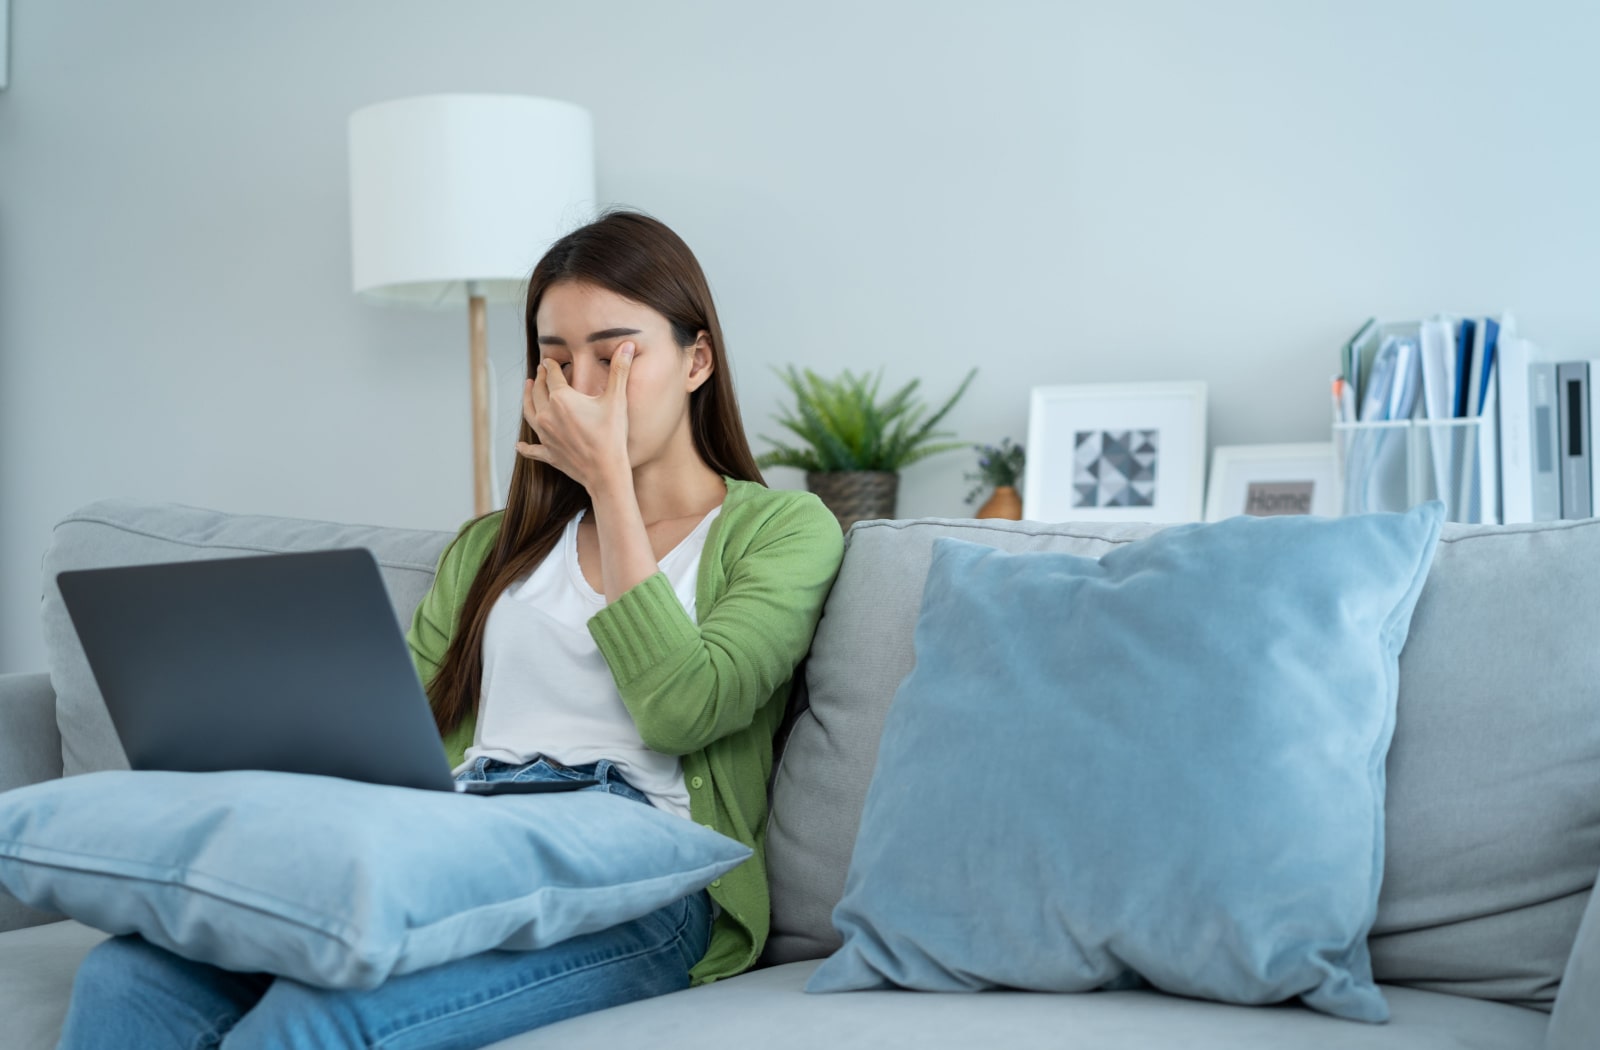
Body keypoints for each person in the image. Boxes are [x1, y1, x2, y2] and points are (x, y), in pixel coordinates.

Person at [56, 208, 846, 1049]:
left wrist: (610, 484)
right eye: (554, 360)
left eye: (615, 355)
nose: (580, 387)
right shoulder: (492, 549)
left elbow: (685, 707)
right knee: (130, 977)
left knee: (325, 1022)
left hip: (640, 880)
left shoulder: (785, 529)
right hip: (465, 843)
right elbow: (401, 732)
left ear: (697, 359)